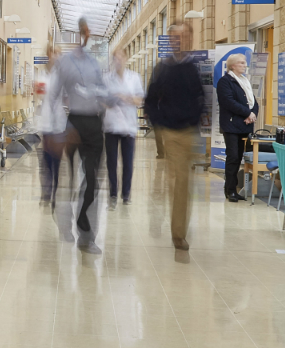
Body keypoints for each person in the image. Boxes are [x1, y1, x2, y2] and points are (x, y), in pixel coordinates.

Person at [143, 23, 206, 251]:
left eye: (185, 36)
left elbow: (200, 97)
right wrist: (160, 123)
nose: (180, 40)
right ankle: (178, 234)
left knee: (185, 182)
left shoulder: (192, 68)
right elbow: (150, 100)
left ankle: (179, 230)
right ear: (170, 40)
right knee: (178, 180)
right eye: (176, 37)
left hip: (188, 130)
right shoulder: (163, 68)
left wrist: (195, 119)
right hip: (170, 130)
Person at [50, 19, 111, 254]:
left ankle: (85, 228)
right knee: (70, 179)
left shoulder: (95, 64)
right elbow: (54, 95)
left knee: (93, 178)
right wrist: (57, 130)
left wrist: (100, 94)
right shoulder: (65, 62)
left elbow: (104, 91)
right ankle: (65, 223)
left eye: (89, 31)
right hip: (74, 121)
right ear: (79, 33)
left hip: (94, 123)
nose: (87, 34)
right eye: (84, 31)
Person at [103, 49, 144, 208]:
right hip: (111, 125)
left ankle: (126, 193)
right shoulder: (106, 79)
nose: (118, 60)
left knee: (128, 162)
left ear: (126, 58)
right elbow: (102, 100)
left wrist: (124, 97)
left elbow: (139, 100)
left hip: (128, 126)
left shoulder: (134, 78)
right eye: (115, 58)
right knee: (111, 162)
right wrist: (111, 100)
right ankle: (113, 192)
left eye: (121, 57)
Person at [216, 53, 258, 203]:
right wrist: (248, 113)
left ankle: (234, 189)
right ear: (232, 65)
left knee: (239, 157)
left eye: (244, 62)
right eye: (241, 63)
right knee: (233, 157)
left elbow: (253, 101)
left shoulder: (244, 81)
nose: (244, 65)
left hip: (245, 126)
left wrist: (253, 114)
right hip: (232, 125)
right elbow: (228, 102)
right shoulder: (225, 81)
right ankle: (230, 190)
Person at [35, 45, 65, 205]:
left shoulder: (63, 76)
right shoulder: (42, 75)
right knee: (46, 160)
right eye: (55, 54)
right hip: (46, 125)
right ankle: (46, 193)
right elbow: (39, 94)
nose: (57, 57)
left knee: (57, 161)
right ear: (49, 55)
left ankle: (55, 192)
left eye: (59, 54)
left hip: (59, 125)